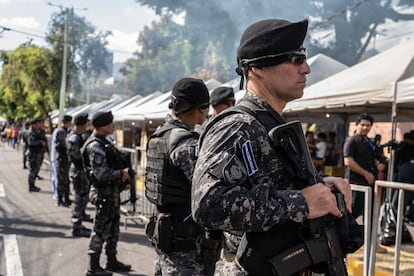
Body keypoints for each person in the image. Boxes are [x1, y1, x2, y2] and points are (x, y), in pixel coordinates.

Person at [191, 18, 353, 276]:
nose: (307, 69)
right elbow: (207, 205)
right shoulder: (236, 127)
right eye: (296, 59)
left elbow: (268, 182)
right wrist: (301, 201)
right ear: (257, 68)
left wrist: (321, 185)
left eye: (304, 58)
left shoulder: (266, 123)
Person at [144, 77, 210, 275]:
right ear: (200, 108)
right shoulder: (185, 144)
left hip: (165, 233)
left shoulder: (160, 135)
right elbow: (208, 189)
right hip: (184, 243)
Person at [82, 110, 132, 276]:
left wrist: (122, 182)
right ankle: (93, 267)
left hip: (111, 193)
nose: (113, 126)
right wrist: (121, 175)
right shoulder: (95, 145)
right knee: (100, 230)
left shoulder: (104, 142)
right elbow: (100, 173)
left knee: (113, 229)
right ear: (103, 126)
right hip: (103, 194)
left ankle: (112, 261)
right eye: (110, 123)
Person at [343, 113, 387, 253]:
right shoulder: (352, 141)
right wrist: (365, 173)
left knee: (372, 214)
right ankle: (343, 239)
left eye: (368, 125)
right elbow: (348, 161)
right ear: (357, 125)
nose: (365, 127)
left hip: (370, 185)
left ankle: (372, 243)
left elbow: (377, 159)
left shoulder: (369, 142)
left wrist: (381, 165)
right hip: (357, 185)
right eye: (362, 125)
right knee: (352, 213)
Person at [67, 113, 93, 238]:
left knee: (82, 198)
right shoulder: (74, 137)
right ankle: (76, 227)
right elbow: (75, 156)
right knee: (78, 200)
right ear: (83, 124)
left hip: (81, 172)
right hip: (78, 172)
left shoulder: (79, 136)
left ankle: (79, 221)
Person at [54, 115, 73, 207]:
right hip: (62, 159)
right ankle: (60, 199)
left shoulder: (67, 131)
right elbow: (65, 144)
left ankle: (66, 198)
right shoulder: (61, 132)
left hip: (66, 159)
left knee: (66, 180)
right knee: (62, 180)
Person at [27, 119, 46, 192]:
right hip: (33, 154)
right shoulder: (31, 132)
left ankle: (33, 185)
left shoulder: (36, 132)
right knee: (32, 170)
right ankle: (31, 186)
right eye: (37, 124)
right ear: (33, 125)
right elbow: (31, 142)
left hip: (37, 153)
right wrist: (40, 142)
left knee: (35, 169)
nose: (38, 125)